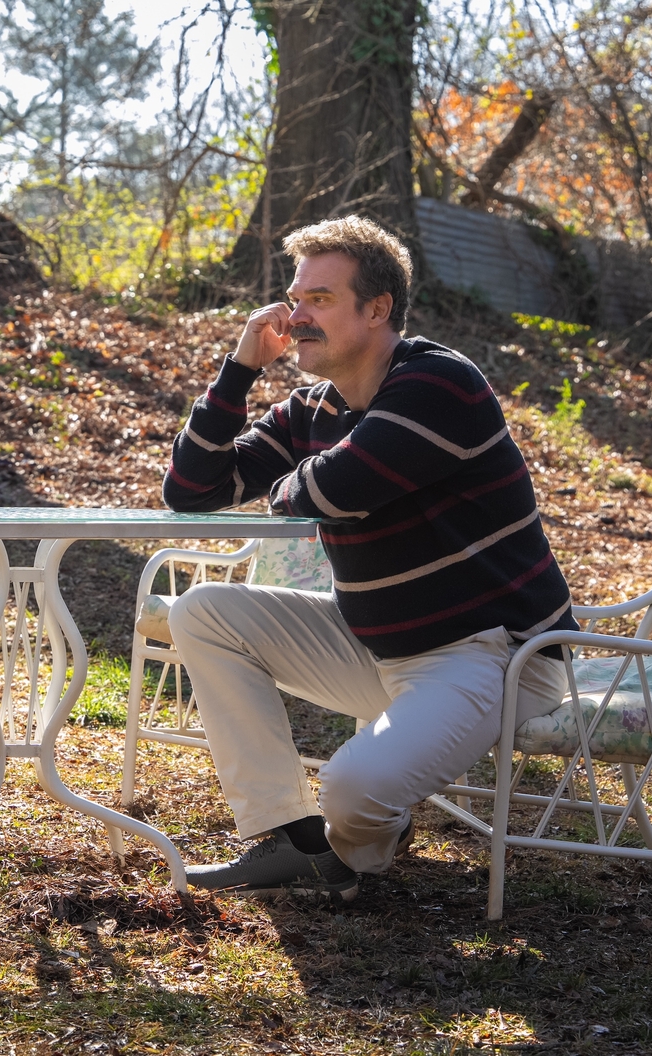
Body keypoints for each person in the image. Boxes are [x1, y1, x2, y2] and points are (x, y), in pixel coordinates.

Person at [163, 216, 575, 901]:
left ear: (377, 309)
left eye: (320, 300)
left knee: (352, 789)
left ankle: (354, 856)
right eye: (295, 299)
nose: (296, 317)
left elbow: (333, 490)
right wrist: (239, 372)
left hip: (494, 655)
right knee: (205, 612)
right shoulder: (313, 408)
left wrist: (294, 487)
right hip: (380, 647)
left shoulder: (439, 384)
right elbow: (191, 490)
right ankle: (294, 841)